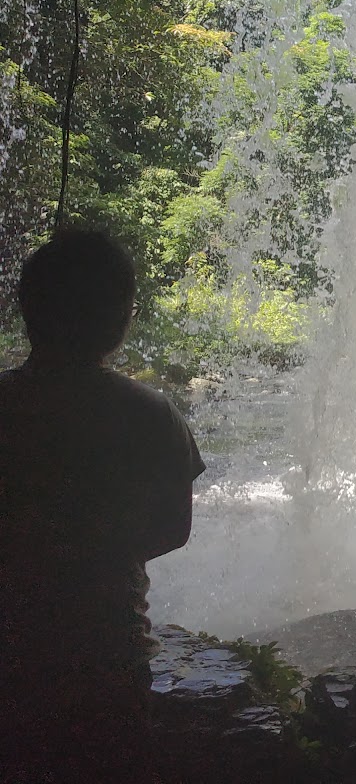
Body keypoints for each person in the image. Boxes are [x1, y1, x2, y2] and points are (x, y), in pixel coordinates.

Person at [0, 229, 206, 781]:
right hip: (108, 648)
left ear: (26, 309)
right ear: (120, 319)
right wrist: (92, 549)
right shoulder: (151, 413)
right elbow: (173, 529)